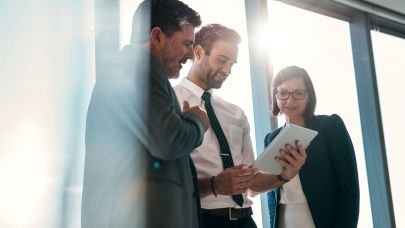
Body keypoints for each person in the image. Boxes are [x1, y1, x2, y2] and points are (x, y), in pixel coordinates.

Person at [81, 1, 209, 228]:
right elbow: (169, 141)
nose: (191, 55)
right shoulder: (135, 68)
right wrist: (196, 121)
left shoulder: (137, 71)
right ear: (157, 36)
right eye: (187, 43)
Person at [174, 24, 306, 228]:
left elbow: (251, 182)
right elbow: (166, 181)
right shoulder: (171, 102)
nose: (227, 70)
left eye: (232, 64)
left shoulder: (235, 113)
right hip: (202, 220)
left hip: (245, 221)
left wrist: (283, 176)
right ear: (199, 52)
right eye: (222, 60)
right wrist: (214, 185)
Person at [265, 65, 360, 228]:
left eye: (299, 93)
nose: (290, 100)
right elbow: (272, 195)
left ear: (309, 96)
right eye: (283, 93)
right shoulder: (271, 138)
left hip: (322, 220)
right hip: (284, 219)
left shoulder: (330, 126)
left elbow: (349, 189)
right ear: (275, 96)